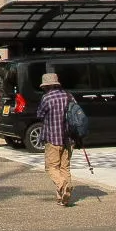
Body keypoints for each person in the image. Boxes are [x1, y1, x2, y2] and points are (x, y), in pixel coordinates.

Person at [36, 72, 74, 206]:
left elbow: (39, 114)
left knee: (51, 167)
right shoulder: (68, 96)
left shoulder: (46, 98)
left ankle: (62, 185)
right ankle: (63, 198)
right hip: (69, 138)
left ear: (46, 86)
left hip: (53, 137)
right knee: (65, 168)